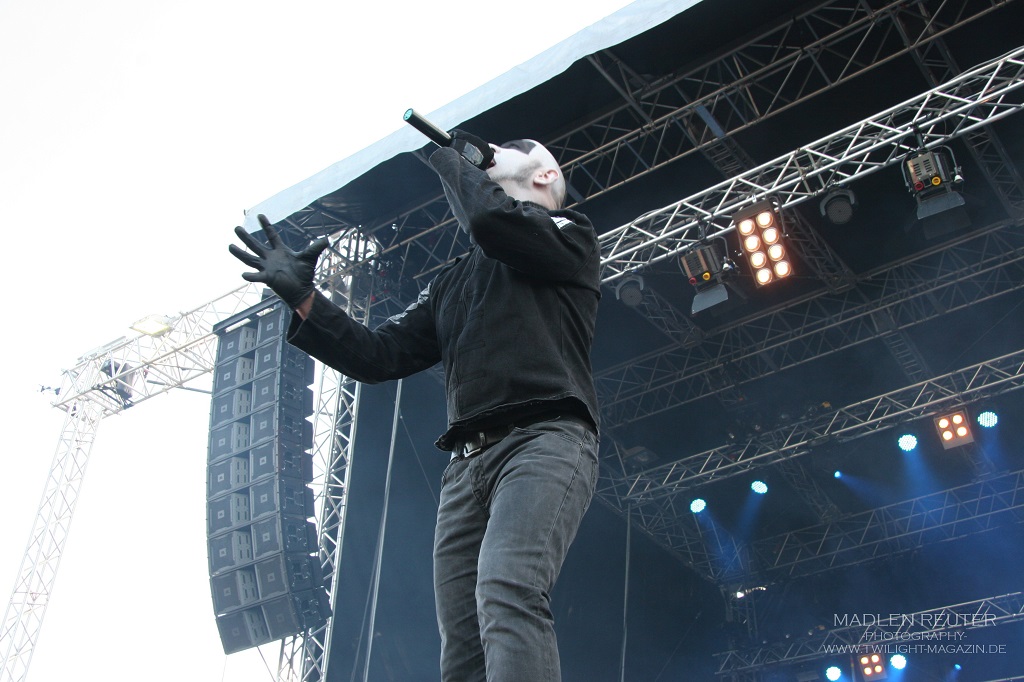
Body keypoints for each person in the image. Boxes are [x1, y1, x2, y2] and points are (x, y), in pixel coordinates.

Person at [230, 132, 602, 682]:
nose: (491, 152)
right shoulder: (453, 279)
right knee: (463, 644)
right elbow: (378, 355)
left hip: (542, 439)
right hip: (465, 466)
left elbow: (492, 222)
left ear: (545, 174)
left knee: (508, 588)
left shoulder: (570, 234)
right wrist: (305, 300)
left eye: (506, 149)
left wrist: (453, 159)